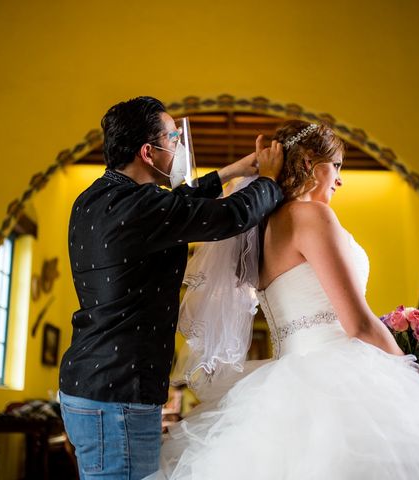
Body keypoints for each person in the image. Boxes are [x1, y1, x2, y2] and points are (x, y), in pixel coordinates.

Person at [149, 120, 419, 479]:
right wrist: (415, 371)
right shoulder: (313, 216)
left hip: (285, 376)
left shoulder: (262, 230)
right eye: (336, 166)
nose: (340, 178)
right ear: (310, 165)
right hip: (337, 373)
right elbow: (359, 324)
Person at [58, 96, 284, 480]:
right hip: (119, 395)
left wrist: (237, 170)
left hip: (90, 384)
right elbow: (232, 215)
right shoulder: (142, 208)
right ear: (149, 151)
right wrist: (269, 180)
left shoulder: (96, 198)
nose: (178, 146)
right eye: (173, 137)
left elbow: (178, 202)